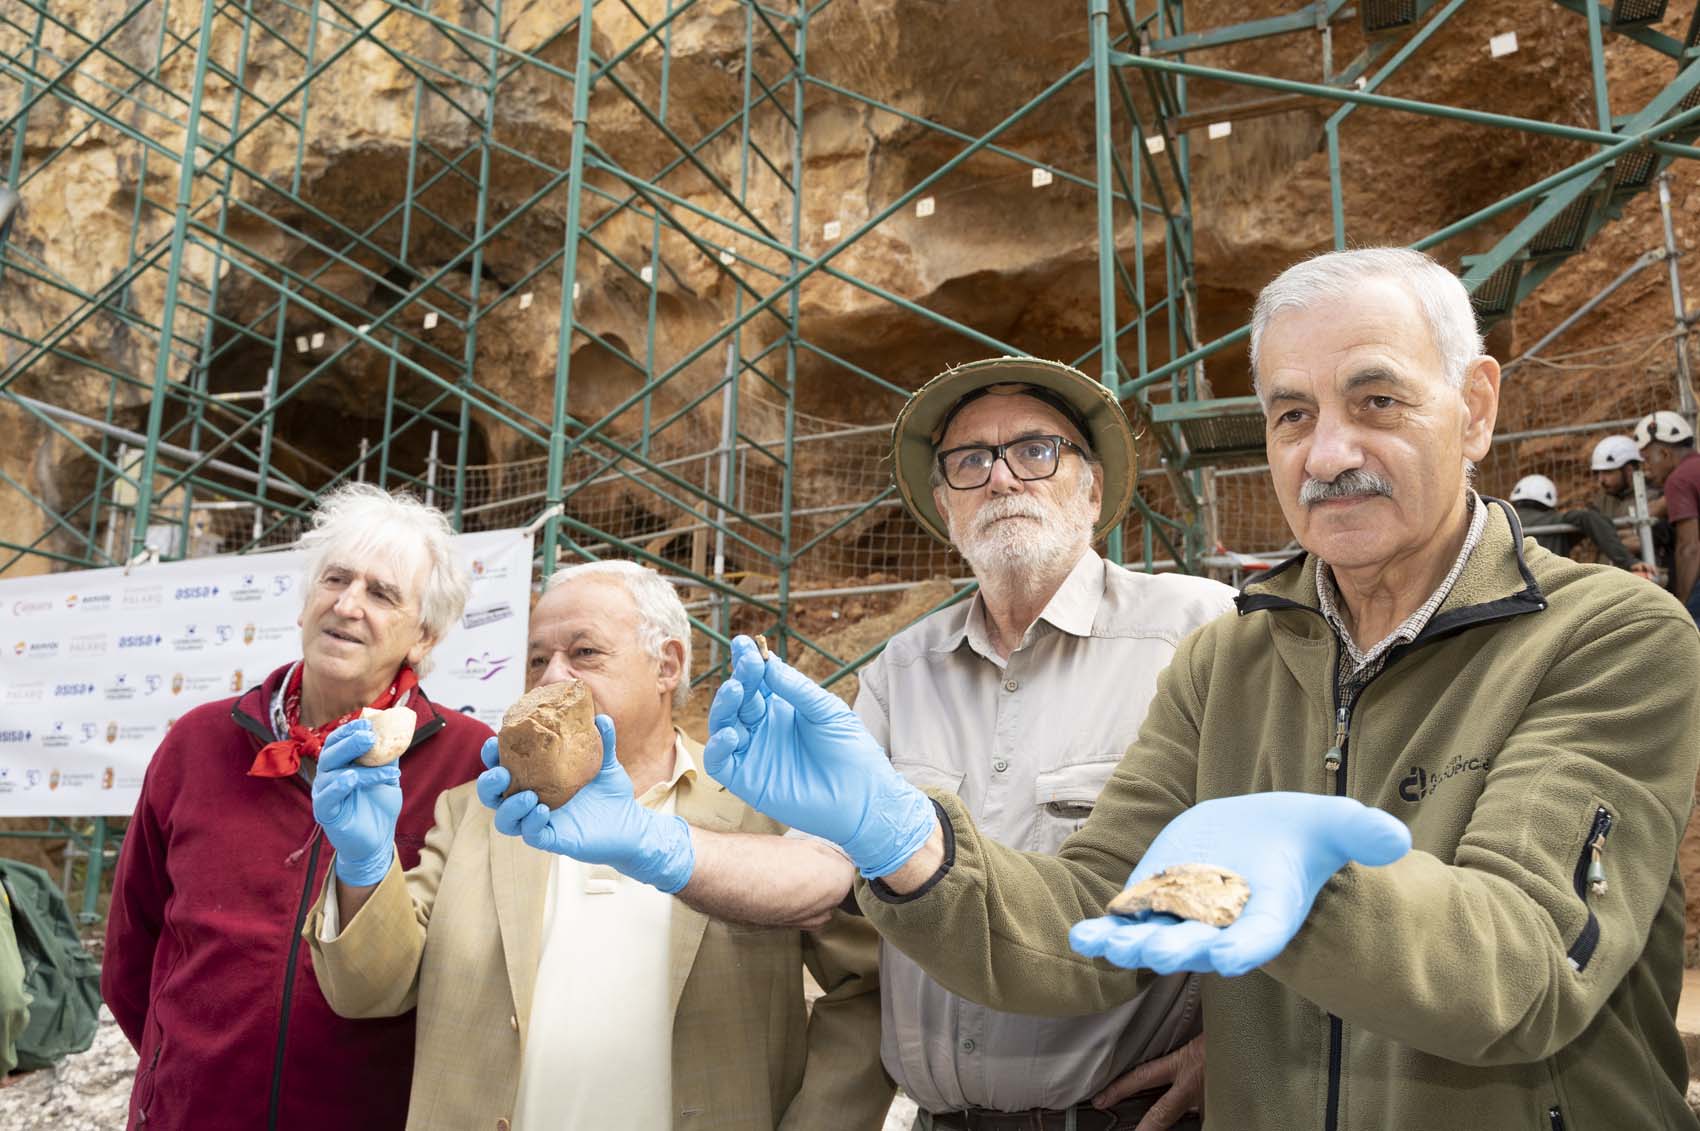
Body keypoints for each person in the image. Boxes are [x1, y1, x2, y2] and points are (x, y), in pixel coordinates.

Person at [699, 248, 1700, 1130]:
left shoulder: (1609, 639)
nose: (1327, 453)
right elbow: (1090, 920)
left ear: (1474, 408)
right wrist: (904, 841)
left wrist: (1305, 890)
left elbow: (1521, 970)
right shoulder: (1227, 664)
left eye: (1376, 401)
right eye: (1290, 415)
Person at [484, 360, 1237, 1131]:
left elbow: (1297, 849)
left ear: (1093, 487)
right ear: (946, 505)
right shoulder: (901, 671)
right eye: (970, 461)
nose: (1003, 478)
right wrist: (655, 840)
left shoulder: (1200, 628)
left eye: (1036, 451)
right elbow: (819, 869)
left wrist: (1239, 1048)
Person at [305, 560, 890, 1131]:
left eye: (584, 653)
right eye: (538, 659)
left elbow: (862, 989)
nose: (553, 677)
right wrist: (365, 862)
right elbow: (370, 994)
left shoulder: (760, 813)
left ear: (667, 665)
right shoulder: (478, 814)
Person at [102, 485, 490, 1131]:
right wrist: (179, 1071)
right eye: (334, 579)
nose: (346, 604)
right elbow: (131, 949)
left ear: (424, 636)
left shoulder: (467, 764)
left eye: (381, 592)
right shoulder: (200, 740)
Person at [1507, 473, 1650, 576]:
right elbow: (1588, 518)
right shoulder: (1556, 520)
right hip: (1547, 590)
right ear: (1550, 503)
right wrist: (1628, 561)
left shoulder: (1500, 518)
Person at [1636, 410, 1700, 624]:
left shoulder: (1678, 480)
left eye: (1647, 460)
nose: (1647, 469)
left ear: (1664, 454)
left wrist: (1682, 600)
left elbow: (1689, 547)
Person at [1588, 434, 1665, 567]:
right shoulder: (1602, 501)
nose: (1601, 480)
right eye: (1598, 473)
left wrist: (1610, 539)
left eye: (1608, 472)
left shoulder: (1653, 497)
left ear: (1628, 470)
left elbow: (1651, 539)